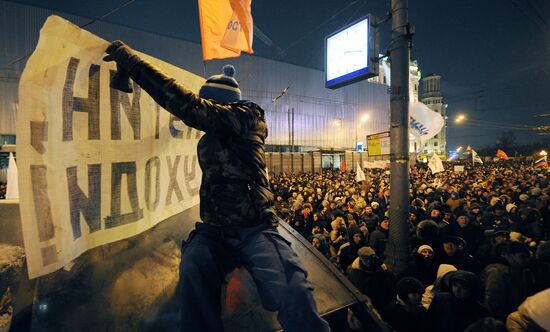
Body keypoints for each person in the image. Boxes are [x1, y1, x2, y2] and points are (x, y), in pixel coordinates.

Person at [103, 41, 331, 332]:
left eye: (208, 104)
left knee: (290, 284)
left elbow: (186, 105)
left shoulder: (246, 118)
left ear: (219, 104)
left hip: (254, 226)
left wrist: (133, 64)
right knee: (192, 268)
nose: (204, 112)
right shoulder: (215, 132)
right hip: (214, 228)